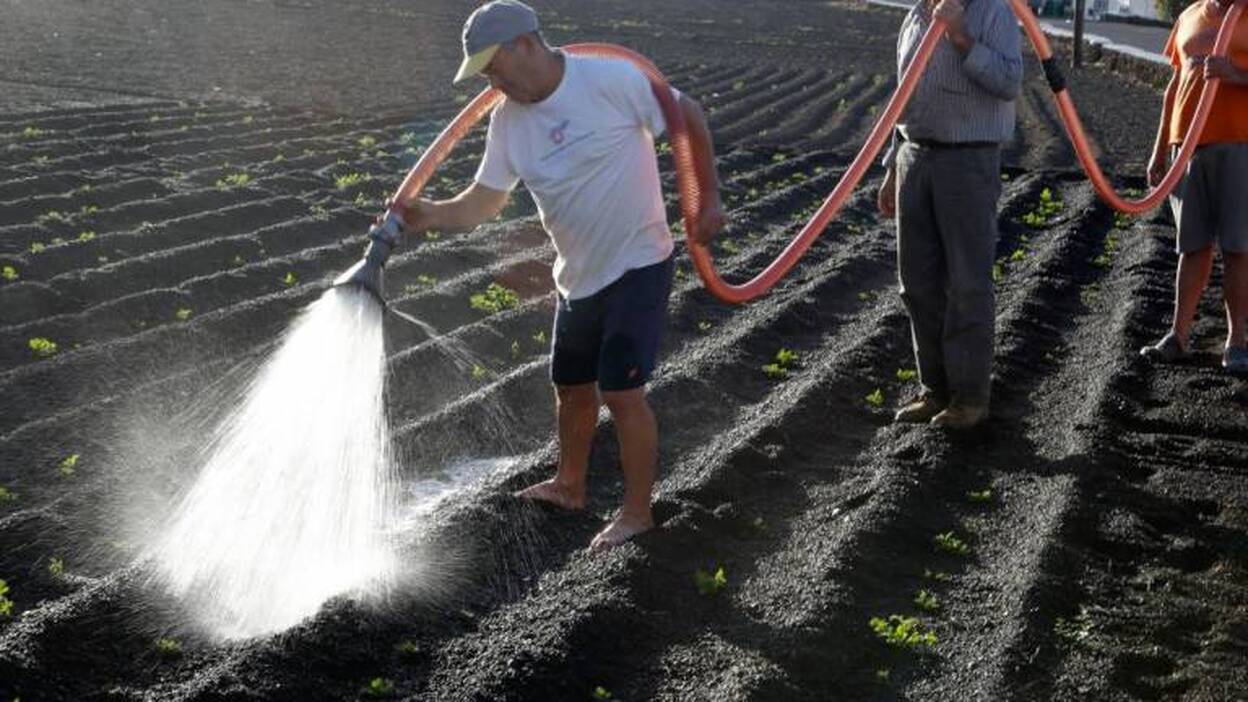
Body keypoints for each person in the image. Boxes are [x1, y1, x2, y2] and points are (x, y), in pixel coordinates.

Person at [386, 0, 725, 549]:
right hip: (577, 275)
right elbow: (484, 204)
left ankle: (637, 512)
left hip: (638, 261)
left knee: (623, 392)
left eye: (495, 67)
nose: (492, 82)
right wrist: (425, 216)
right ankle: (570, 485)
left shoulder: (610, 80)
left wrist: (706, 199)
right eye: (484, 74)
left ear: (526, 44)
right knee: (571, 387)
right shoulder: (508, 121)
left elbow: (690, 115)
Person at [877, 0, 1022, 429]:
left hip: (968, 159)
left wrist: (961, 37)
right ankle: (935, 388)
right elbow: (904, 93)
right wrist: (891, 168)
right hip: (915, 156)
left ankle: (970, 396)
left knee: (967, 283)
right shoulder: (915, 16)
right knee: (917, 283)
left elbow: (1010, 81)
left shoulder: (992, 13)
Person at [1140, 0, 1248, 372]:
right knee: (1192, 246)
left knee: (1238, 246)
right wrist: (1159, 153)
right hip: (1185, 147)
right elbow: (1175, 84)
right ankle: (1178, 335)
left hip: (1239, 145)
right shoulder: (1189, 16)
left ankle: (1236, 342)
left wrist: (1234, 72)